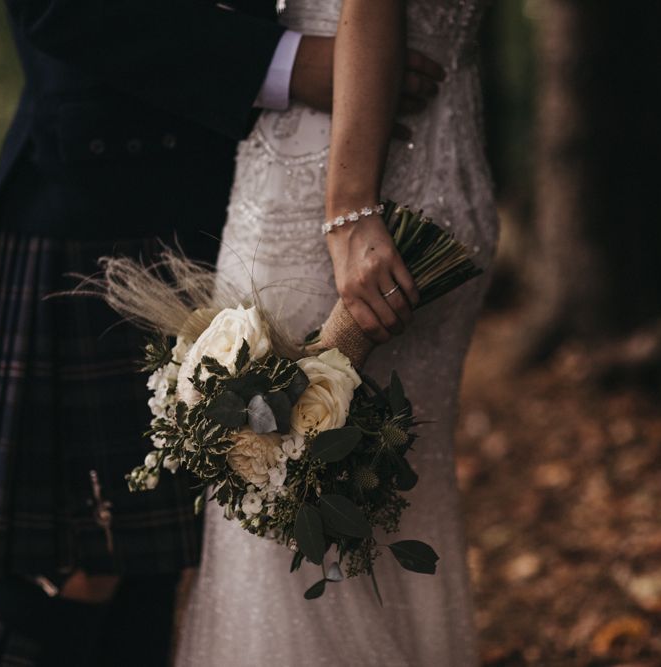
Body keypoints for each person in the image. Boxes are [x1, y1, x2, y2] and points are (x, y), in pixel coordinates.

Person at [0, 1, 439, 664]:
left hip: (238, 188)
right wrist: (287, 63)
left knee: (150, 584)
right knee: (67, 580)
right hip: (97, 198)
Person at [177, 1, 498, 665]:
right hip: (446, 168)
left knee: (282, 513)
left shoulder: (347, 212)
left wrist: (348, 212)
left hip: (333, 190)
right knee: (393, 502)